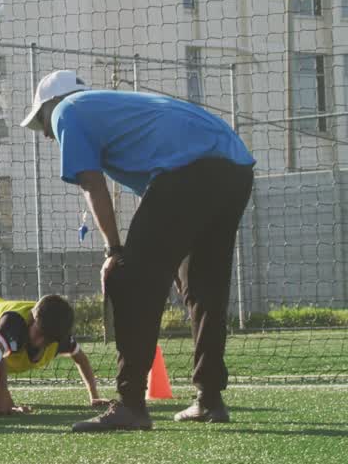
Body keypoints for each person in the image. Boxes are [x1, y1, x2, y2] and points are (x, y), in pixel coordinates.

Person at [21, 70, 255, 431]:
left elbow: (92, 182)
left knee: (129, 279)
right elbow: (169, 202)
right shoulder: (114, 110)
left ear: (51, 103)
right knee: (204, 287)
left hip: (188, 172)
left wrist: (114, 251)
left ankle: (130, 405)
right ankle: (210, 397)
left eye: (42, 123)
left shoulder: (68, 110)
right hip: (235, 167)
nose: (49, 134)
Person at [0, 291, 104, 413]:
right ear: (32, 320)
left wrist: (94, 396)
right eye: (39, 333)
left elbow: (81, 358)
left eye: (47, 340)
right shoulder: (13, 325)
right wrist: (7, 402)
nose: (41, 342)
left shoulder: (59, 336)